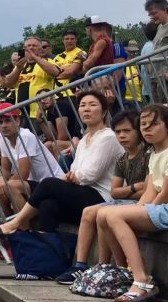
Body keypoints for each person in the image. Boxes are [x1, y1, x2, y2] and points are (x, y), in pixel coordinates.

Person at [96, 105, 168, 302]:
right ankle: (125, 273)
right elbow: (150, 190)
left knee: (114, 215)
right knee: (103, 214)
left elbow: (165, 193)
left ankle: (142, 280)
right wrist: (137, 211)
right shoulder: (155, 153)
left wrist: (140, 214)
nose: (147, 129)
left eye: (154, 124)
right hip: (166, 207)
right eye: (143, 125)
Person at [0, 91, 123, 236]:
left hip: (101, 196)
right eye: (82, 105)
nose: (86, 109)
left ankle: (17, 224)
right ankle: (49, 249)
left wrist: (71, 177)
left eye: (92, 105)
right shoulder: (84, 139)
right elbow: (75, 168)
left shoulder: (108, 137)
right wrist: (72, 176)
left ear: (104, 112)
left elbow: (90, 175)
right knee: (47, 204)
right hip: (81, 190)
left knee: (49, 183)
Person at [54, 110, 150, 284]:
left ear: (139, 131)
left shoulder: (148, 155)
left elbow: (149, 190)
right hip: (125, 200)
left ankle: (112, 266)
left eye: (127, 131)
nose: (122, 136)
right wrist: (135, 187)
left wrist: (128, 190)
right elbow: (115, 191)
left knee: (102, 213)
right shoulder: (122, 158)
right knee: (90, 212)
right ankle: (85, 265)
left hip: (141, 203)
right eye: (118, 132)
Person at [0, 101, 64, 215]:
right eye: (0, 122)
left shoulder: (26, 136)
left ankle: (25, 227)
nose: (3, 125)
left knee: (11, 185)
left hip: (51, 183)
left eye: (8, 120)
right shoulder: (2, 140)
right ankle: (13, 229)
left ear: (18, 121)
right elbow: (5, 169)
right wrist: (1, 180)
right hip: (34, 183)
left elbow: (23, 174)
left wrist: (5, 184)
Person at [3, 37, 59, 123]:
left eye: (34, 45)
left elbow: (55, 72)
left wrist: (35, 57)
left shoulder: (47, 61)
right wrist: (18, 69)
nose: (31, 48)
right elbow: (6, 83)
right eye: (28, 46)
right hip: (21, 115)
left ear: (40, 49)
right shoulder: (20, 66)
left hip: (40, 113)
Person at [81, 16, 118, 107]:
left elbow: (89, 63)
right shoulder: (99, 41)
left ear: (90, 29)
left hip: (102, 79)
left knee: (103, 106)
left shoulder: (101, 41)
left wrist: (84, 62)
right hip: (100, 78)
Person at [37, 88, 82, 161]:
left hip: (78, 140)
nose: (42, 101)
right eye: (39, 100)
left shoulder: (60, 106)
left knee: (56, 144)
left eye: (45, 97)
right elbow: (52, 137)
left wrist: (56, 141)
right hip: (68, 141)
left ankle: (61, 170)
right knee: (47, 145)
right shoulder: (49, 112)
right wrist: (40, 121)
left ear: (53, 96)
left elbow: (62, 136)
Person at [123, 40, 144, 107]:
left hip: (137, 98)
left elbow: (141, 80)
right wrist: (130, 78)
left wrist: (141, 80)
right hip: (126, 98)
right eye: (131, 51)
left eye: (135, 51)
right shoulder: (123, 63)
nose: (133, 53)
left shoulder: (138, 63)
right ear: (126, 50)